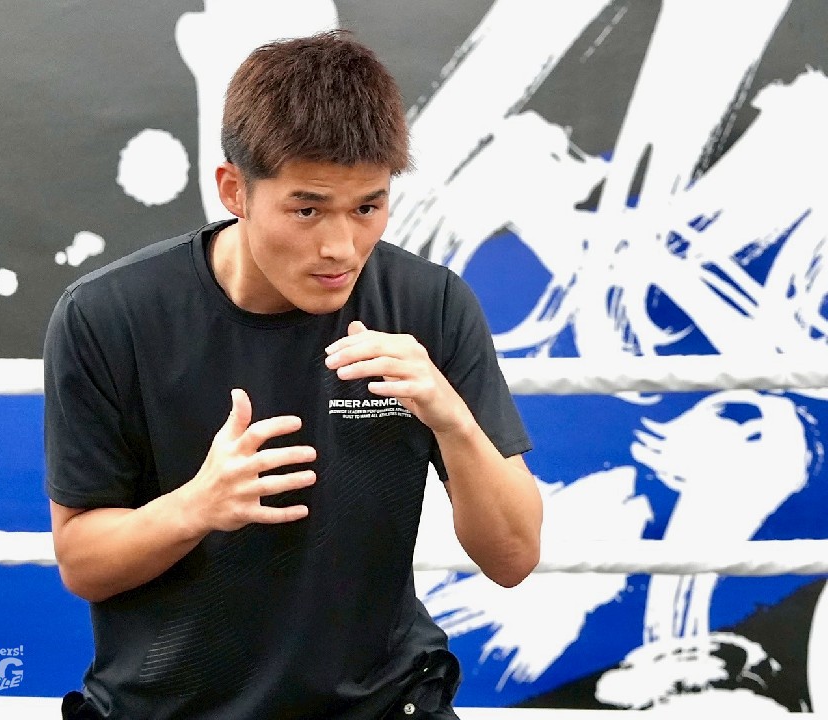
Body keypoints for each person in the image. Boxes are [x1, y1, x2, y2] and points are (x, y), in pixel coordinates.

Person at [44, 29, 543, 720]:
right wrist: (197, 506)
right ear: (234, 190)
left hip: (383, 704)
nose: (341, 247)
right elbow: (82, 564)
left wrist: (451, 416)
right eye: (307, 209)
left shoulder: (429, 305)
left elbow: (514, 557)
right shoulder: (109, 317)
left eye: (367, 207)